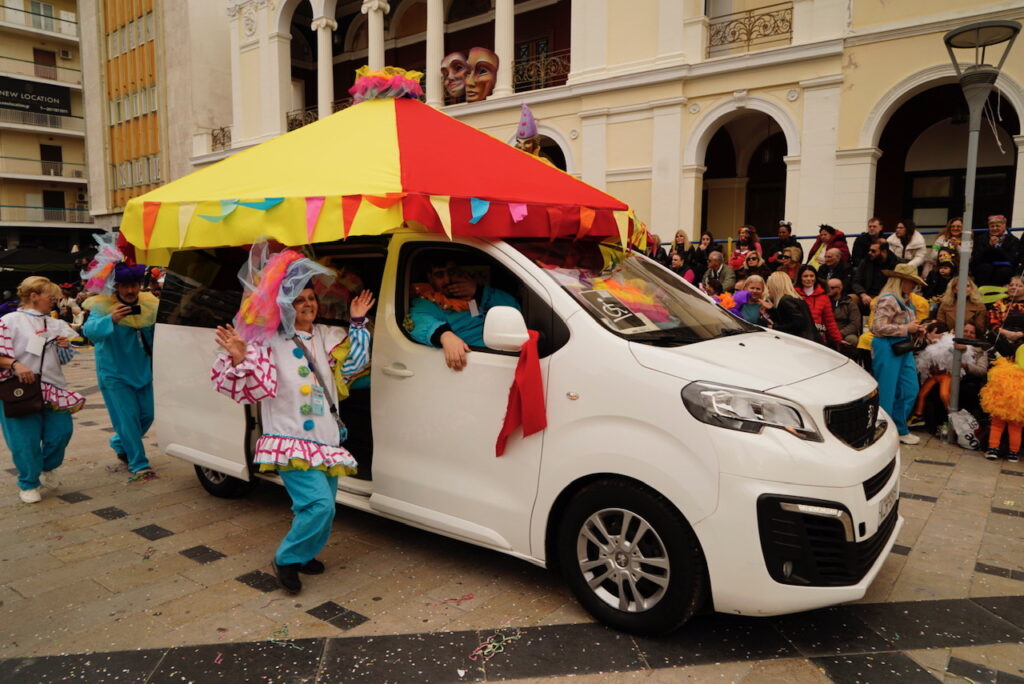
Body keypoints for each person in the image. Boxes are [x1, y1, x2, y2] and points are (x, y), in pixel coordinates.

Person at [212, 246, 375, 592]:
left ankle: (305, 553)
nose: (308, 304)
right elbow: (253, 388)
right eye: (299, 300)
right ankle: (287, 559)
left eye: (312, 298)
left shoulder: (328, 336)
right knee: (317, 505)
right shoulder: (267, 342)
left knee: (324, 506)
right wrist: (241, 357)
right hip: (289, 439)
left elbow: (355, 364)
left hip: (326, 440)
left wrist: (358, 320)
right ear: (285, 305)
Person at [81, 235, 160, 482]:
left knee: (147, 414)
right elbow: (90, 333)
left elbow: (158, 335)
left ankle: (118, 441)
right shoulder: (101, 306)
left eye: (134, 285)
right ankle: (139, 463)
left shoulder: (149, 304)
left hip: (143, 371)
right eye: (124, 285)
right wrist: (111, 320)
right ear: (115, 286)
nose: (130, 290)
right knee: (127, 419)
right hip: (114, 373)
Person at [0, 277, 85, 503]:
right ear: (34, 296)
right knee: (24, 440)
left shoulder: (56, 323)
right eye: (51, 297)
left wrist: (64, 346)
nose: (55, 302)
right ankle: (28, 482)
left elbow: (64, 359)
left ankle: (48, 467)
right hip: (20, 389)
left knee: (61, 433)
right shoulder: (10, 320)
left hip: (54, 387)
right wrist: (15, 365)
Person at [409, 257, 519, 371]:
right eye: (439, 275)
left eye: (451, 272)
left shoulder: (469, 294)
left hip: (503, 350)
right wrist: (445, 335)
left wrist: (478, 291)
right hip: (476, 360)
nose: (447, 280)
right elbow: (417, 320)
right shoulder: (427, 301)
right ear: (430, 278)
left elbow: (514, 308)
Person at [871, 263, 925, 445]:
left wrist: (915, 329)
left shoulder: (904, 299)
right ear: (901, 281)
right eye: (911, 282)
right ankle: (887, 431)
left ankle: (896, 428)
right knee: (888, 391)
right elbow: (877, 327)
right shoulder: (889, 299)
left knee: (909, 388)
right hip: (887, 346)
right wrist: (906, 328)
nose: (914, 286)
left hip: (900, 346)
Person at [980, 345, 1023, 463]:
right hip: (1019, 406)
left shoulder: (1006, 369)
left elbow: (991, 377)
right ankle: (1013, 453)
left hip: (1001, 404)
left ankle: (993, 449)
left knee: (997, 426)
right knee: (1016, 429)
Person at [907, 321, 955, 429]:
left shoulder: (948, 345)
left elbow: (955, 353)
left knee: (944, 394)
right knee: (922, 394)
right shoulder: (926, 345)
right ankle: (918, 416)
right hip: (932, 376)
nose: (928, 335)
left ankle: (952, 417)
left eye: (932, 333)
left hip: (945, 375)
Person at [796, 265, 843, 347]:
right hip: (798, 337)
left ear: (815, 277)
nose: (809, 279)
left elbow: (830, 321)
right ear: (800, 278)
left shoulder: (824, 297)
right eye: (805, 276)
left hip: (817, 338)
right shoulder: (794, 295)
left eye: (811, 276)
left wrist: (838, 340)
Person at [764, 271, 818, 342]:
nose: (768, 289)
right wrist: (772, 309)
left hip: (802, 342)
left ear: (775, 286)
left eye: (769, 286)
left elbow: (798, 324)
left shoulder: (785, 300)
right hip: (809, 340)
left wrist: (775, 327)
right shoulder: (795, 298)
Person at [972, 214, 1021, 287]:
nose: (994, 228)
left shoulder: (1013, 240)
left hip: (1005, 270)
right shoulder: (980, 239)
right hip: (984, 270)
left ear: (1004, 226)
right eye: (992, 226)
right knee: (985, 268)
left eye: (997, 226)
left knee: (1004, 271)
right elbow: (976, 258)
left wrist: (997, 248)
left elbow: (1013, 260)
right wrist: (990, 246)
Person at [853, 238, 898, 309]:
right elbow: (855, 281)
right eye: (870, 250)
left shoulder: (896, 264)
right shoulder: (866, 262)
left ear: (884, 251)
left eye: (873, 251)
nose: (869, 253)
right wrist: (863, 294)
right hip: (867, 295)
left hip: (887, 297)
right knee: (851, 299)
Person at [987, 275, 1024, 358]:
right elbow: (992, 323)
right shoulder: (998, 304)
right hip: (1001, 340)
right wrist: (1007, 334)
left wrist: (1019, 334)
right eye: (1011, 285)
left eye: (1019, 286)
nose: (1014, 287)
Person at [828, 278, 862, 348]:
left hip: (844, 333)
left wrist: (840, 333)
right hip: (827, 331)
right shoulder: (824, 301)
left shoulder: (850, 304)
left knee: (852, 339)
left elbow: (855, 324)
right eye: (827, 288)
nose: (828, 290)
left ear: (840, 289)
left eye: (832, 288)